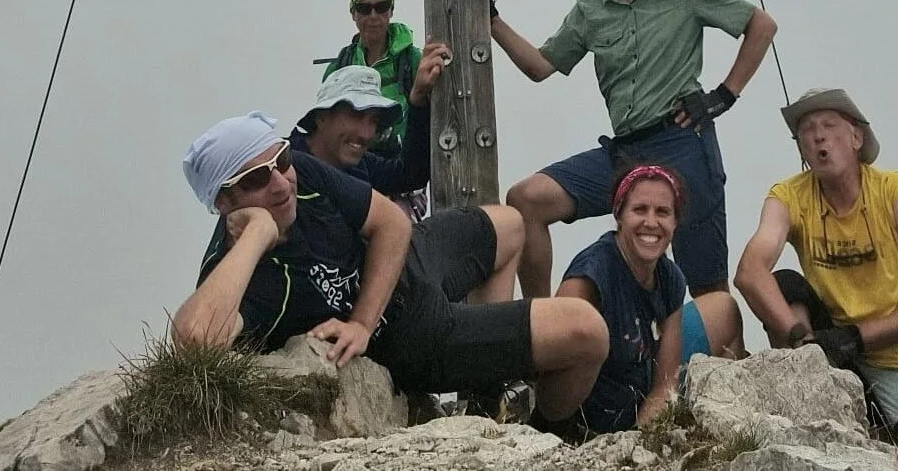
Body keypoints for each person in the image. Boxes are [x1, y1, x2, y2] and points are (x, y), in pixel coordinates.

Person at [173, 111, 608, 421]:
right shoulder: (245, 274)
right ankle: (551, 430)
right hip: (415, 334)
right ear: (224, 202)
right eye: (255, 179)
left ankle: (486, 391)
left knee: (513, 224)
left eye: (281, 160)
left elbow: (391, 224)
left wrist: (362, 321)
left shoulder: (301, 174)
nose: (279, 183)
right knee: (586, 331)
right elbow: (194, 342)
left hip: (405, 265)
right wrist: (257, 235)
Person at [491, 0, 778, 298]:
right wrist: (491, 19)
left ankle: (717, 359)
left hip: (683, 140)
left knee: (707, 287)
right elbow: (540, 66)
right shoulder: (590, 8)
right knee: (527, 199)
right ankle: (544, 321)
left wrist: (723, 96)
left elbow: (761, 25)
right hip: (625, 153)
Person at [734, 88, 898, 443]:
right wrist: (802, 341)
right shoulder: (788, 196)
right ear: (801, 148)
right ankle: (806, 378)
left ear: (856, 137)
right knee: (784, 284)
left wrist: (857, 338)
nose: (818, 136)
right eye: (806, 130)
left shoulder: (896, 192)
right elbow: (749, 273)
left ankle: (878, 422)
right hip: (832, 351)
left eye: (830, 125)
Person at [558, 163, 745, 434]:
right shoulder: (590, 278)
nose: (651, 222)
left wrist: (642, 440)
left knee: (724, 307)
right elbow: (552, 385)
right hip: (589, 422)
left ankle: (735, 425)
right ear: (619, 215)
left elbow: (664, 384)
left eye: (663, 212)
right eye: (639, 209)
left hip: (640, 391)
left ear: (675, 222)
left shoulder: (670, 277)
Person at [291, 51, 447, 198]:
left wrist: (418, 99)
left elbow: (410, 175)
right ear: (322, 117)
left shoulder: (360, 166)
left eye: (374, 121)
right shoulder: (280, 168)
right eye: (355, 115)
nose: (366, 134)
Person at [325, 0, 422, 157]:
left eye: (381, 6)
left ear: (391, 10)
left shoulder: (414, 60)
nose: (373, 15)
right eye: (363, 8)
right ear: (353, 13)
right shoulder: (338, 69)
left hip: (404, 167)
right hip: (352, 168)